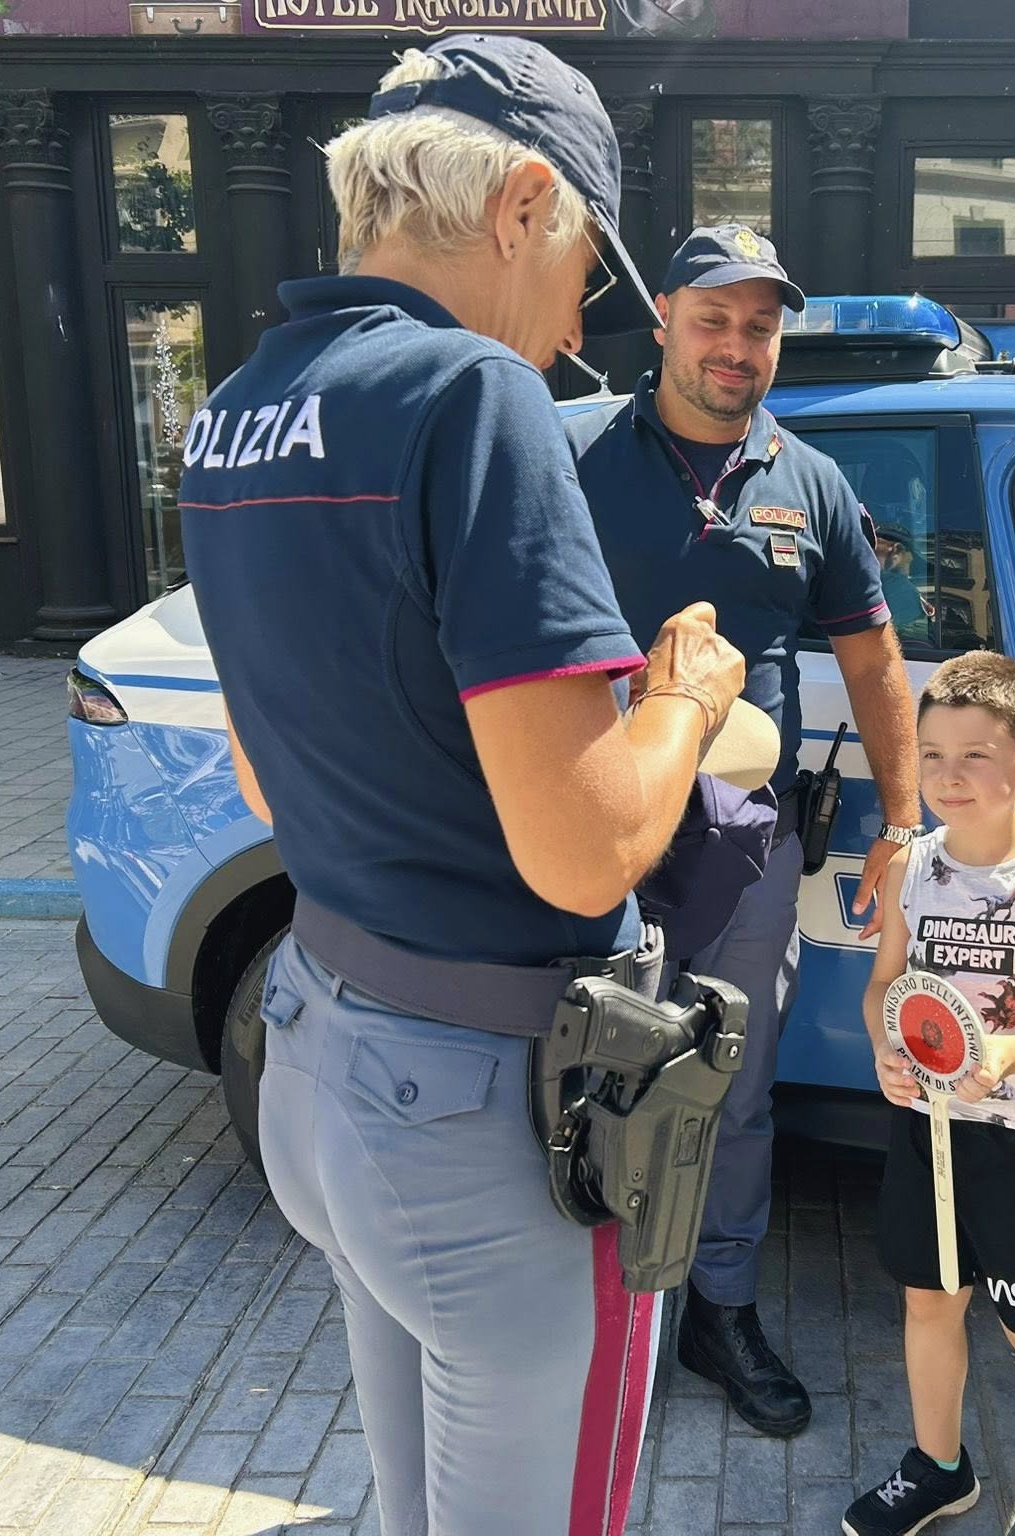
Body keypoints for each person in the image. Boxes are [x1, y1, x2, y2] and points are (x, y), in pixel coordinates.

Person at [178, 37, 746, 1535]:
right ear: (523, 203)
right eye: (583, 273)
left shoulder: (235, 406)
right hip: (479, 1112)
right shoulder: (470, 392)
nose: (573, 331)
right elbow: (584, 852)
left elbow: (263, 758)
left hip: (320, 1054)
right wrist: (686, 699)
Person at [567, 224, 922, 1437]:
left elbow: (875, 666)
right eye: (713, 318)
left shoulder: (810, 481)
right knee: (579, 1062)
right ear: (662, 316)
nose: (736, 346)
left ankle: (716, 1306)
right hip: (588, 815)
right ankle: (582, 1304)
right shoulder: (568, 452)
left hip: (742, 841)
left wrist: (905, 824)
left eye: (759, 326)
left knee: (727, 1080)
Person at [845, 650, 1015, 1536]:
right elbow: (887, 981)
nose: (947, 777)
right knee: (929, 1300)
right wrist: (886, 1044)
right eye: (930, 755)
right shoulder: (913, 868)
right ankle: (939, 1465)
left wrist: (1011, 1052)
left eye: (974, 756)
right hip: (929, 1129)